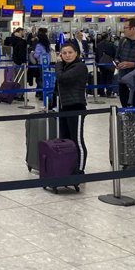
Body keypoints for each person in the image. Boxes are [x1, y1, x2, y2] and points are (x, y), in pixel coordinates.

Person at [55, 42, 88, 173]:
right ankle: (69, 167)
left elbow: (62, 78)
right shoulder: (65, 66)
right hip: (64, 107)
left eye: (70, 52)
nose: (67, 55)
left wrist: (57, 64)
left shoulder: (80, 67)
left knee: (77, 140)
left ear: (76, 53)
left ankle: (80, 170)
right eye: (64, 53)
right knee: (66, 139)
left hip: (76, 106)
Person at [116, 18, 135, 107]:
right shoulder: (123, 41)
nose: (123, 30)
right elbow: (117, 57)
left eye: (125, 28)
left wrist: (133, 64)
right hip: (123, 81)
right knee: (125, 108)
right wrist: (118, 63)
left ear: (133, 29)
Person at [31, 28, 52, 101]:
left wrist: (33, 53)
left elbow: (36, 55)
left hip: (41, 64)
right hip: (47, 64)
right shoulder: (47, 45)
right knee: (45, 78)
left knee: (40, 79)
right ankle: (39, 92)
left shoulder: (39, 45)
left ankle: (42, 94)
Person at [96, 33, 117, 97]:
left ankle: (102, 93)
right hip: (109, 63)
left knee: (102, 78)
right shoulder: (111, 44)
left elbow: (96, 55)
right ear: (107, 37)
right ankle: (109, 93)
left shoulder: (98, 45)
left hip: (101, 63)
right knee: (109, 78)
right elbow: (115, 54)